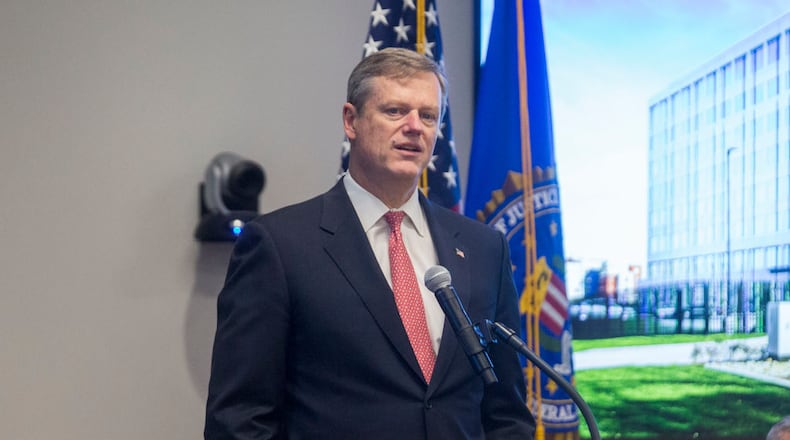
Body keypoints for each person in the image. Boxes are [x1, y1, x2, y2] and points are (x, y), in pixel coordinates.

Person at [204, 47, 535, 440]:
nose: (414, 126)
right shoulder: (280, 246)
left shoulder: (484, 249)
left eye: (428, 116)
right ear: (351, 120)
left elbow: (507, 413)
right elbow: (240, 418)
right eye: (395, 111)